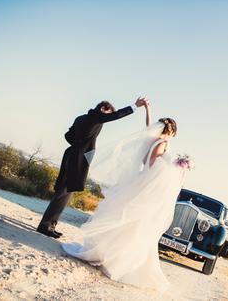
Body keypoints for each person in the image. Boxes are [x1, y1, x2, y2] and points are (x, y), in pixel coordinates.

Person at [61, 102, 185, 292]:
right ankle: (116, 262)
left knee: (126, 219)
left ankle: (109, 257)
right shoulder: (164, 143)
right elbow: (152, 164)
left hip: (139, 182)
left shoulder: (151, 139)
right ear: (172, 131)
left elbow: (148, 129)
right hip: (146, 187)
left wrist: (147, 110)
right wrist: (175, 168)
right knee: (136, 223)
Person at [37, 97, 149, 238]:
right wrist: (135, 106)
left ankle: (49, 224)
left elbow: (68, 135)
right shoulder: (96, 117)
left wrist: (79, 144)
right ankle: (46, 226)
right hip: (77, 159)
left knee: (64, 191)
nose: (106, 118)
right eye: (107, 114)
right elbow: (116, 115)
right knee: (64, 193)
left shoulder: (81, 118)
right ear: (102, 109)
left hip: (71, 154)